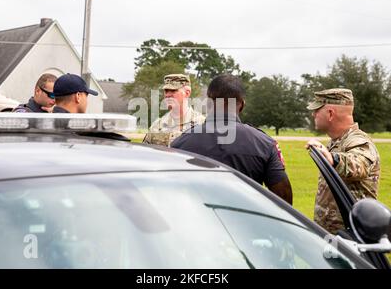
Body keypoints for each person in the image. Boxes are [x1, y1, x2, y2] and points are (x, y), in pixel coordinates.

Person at [171, 74, 293, 205]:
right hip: (245, 222)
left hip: (197, 222)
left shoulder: (180, 143)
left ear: (208, 104)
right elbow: (284, 198)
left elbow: (170, 195)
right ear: (242, 105)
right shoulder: (264, 143)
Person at [306, 88, 380, 234]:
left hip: (351, 240)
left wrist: (333, 158)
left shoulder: (358, 141)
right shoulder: (336, 142)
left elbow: (359, 164)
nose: (313, 114)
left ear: (330, 114)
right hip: (335, 237)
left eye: (317, 110)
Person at [143, 74, 205, 147]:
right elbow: (146, 154)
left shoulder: (202, 124)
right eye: (166, 91)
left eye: (173, 91)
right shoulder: (157, 126)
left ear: (187, 93)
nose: (168, 95)